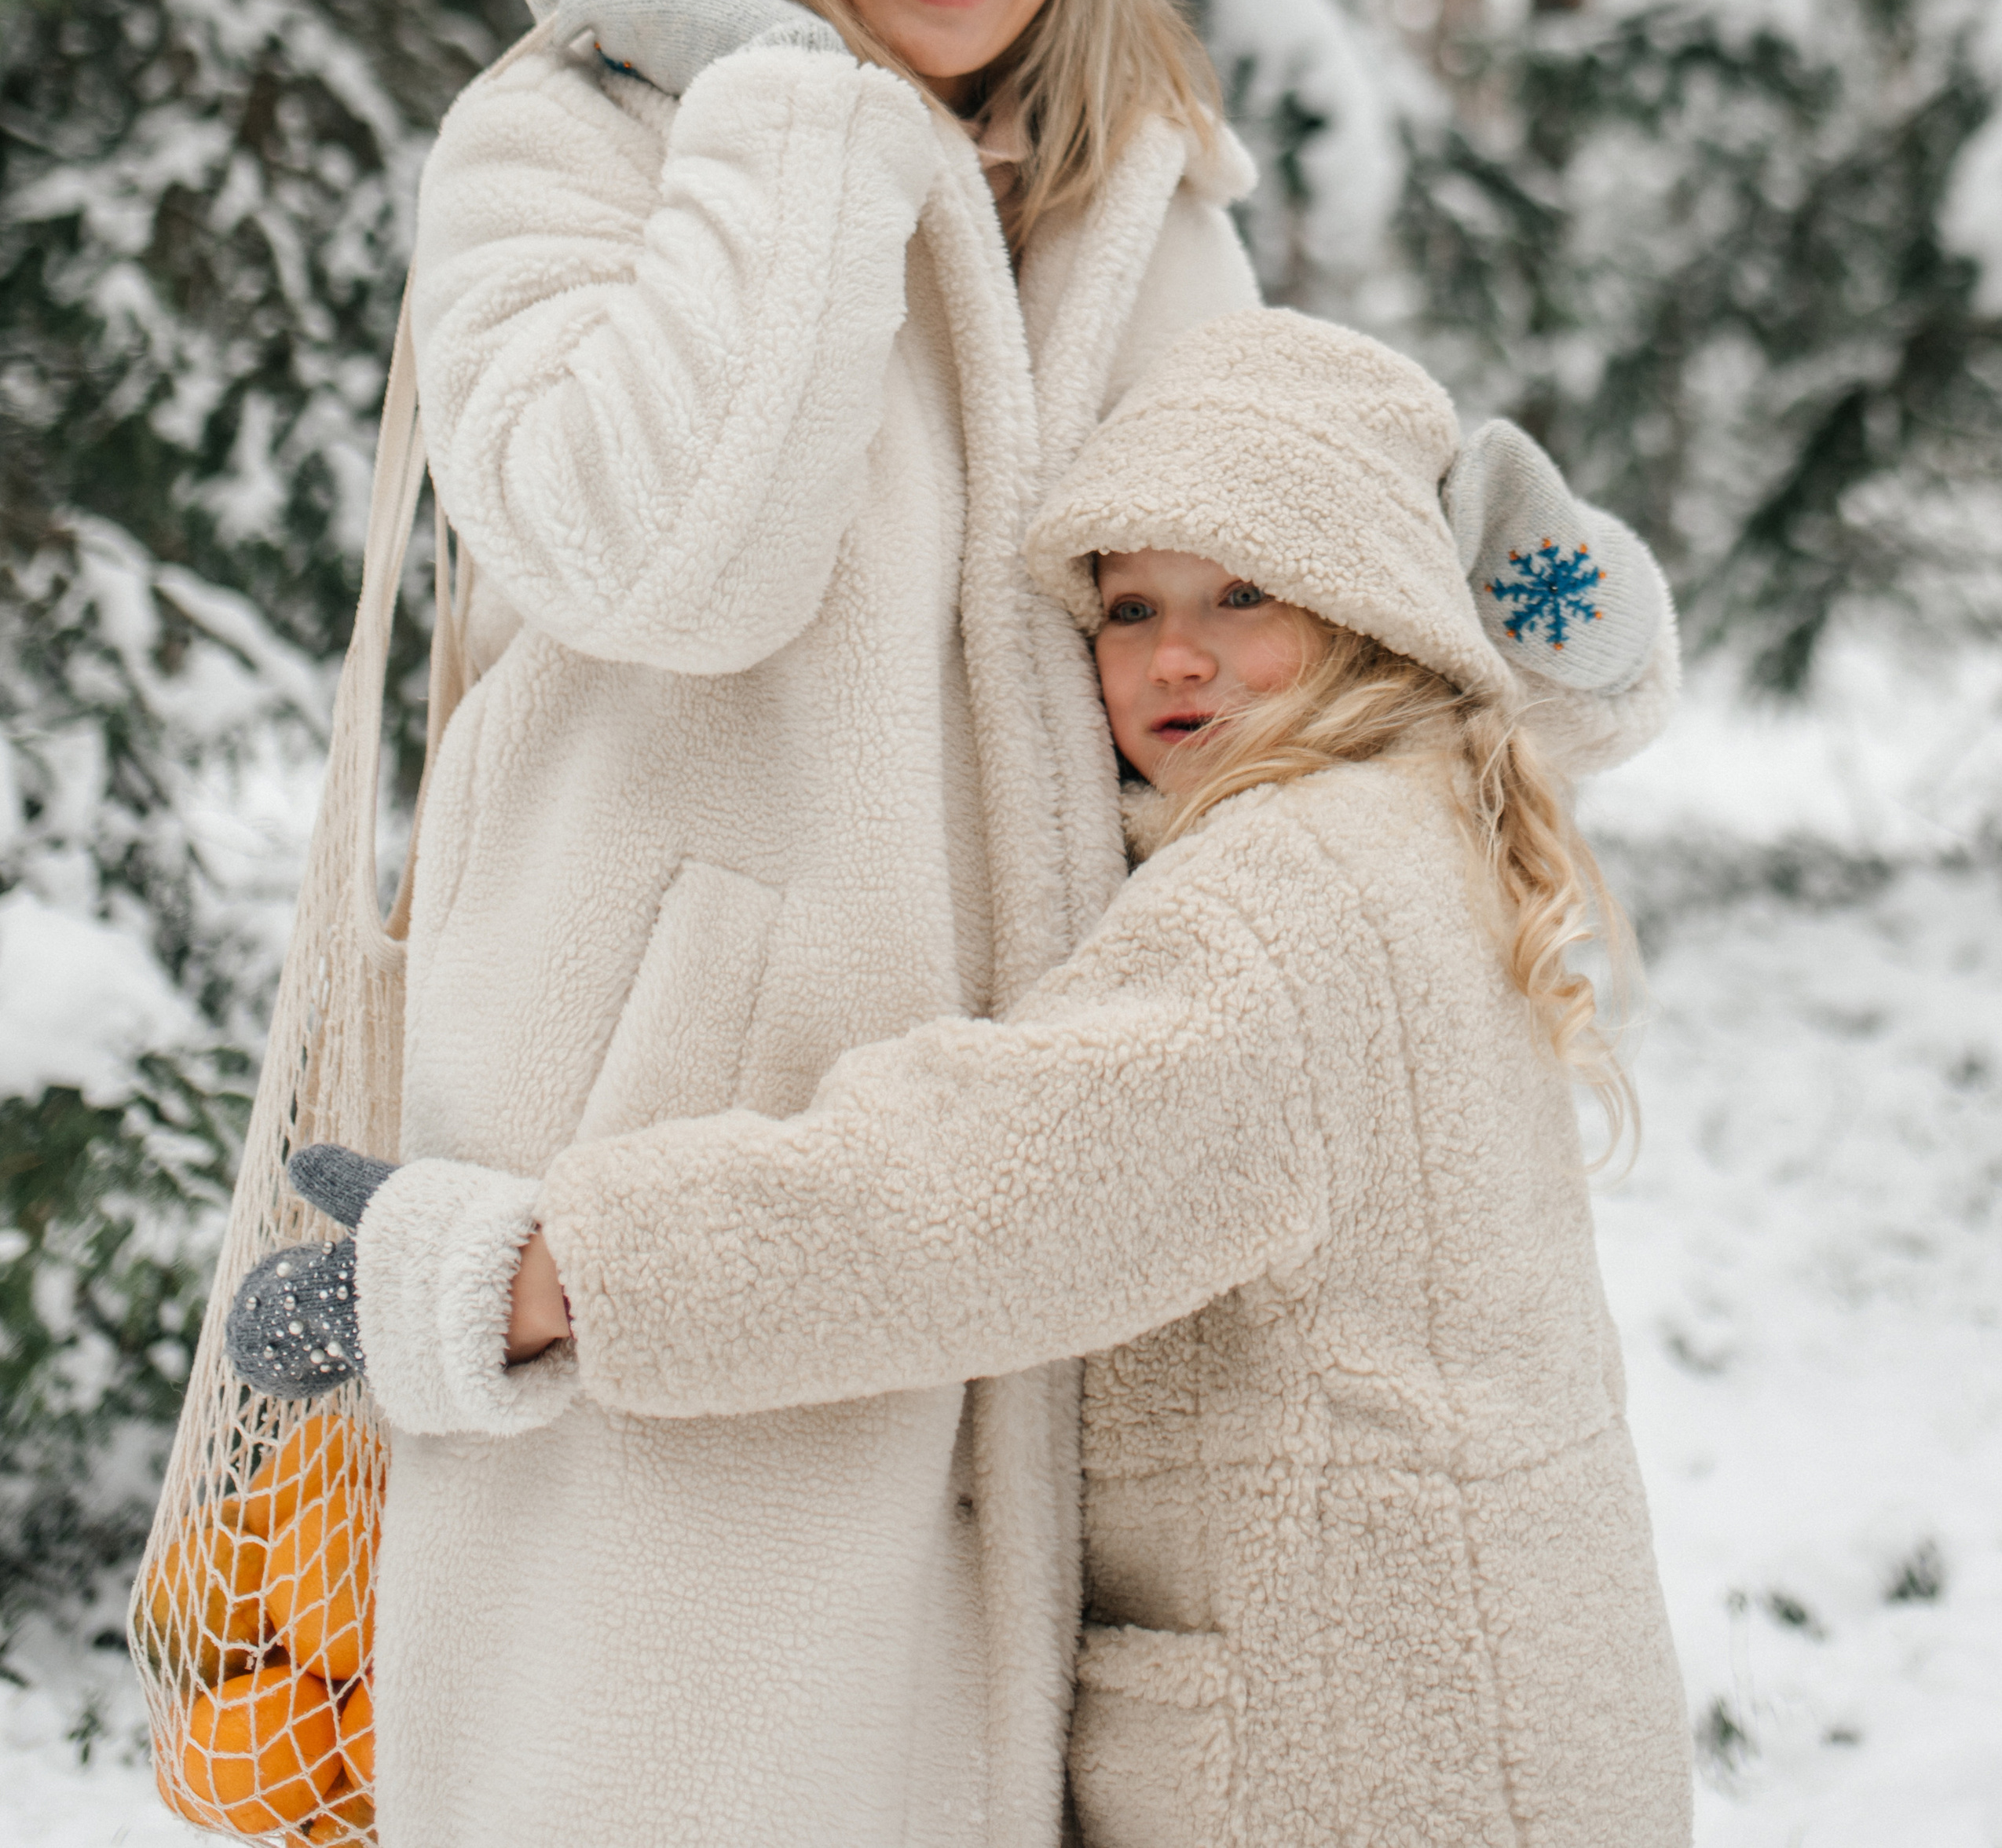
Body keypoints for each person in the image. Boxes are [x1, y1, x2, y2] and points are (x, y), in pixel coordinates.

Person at [229, 0, 1679, 1846]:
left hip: (1032, 1219)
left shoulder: (1151, 203)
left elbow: (1251, 647)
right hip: (656, 1203)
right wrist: (802, 130)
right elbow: (657, 554)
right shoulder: (564, 137)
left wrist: (1508, 609)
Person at [458, 310, 1696, 1846]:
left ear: (1367, 600)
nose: (1174, 653)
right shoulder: (1410, 829)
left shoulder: (1291, 892)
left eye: (1245, 590)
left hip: (1361, 1759)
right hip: (1493, 1713)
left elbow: (984, 1196)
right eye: (1125, 607)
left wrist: (548, 1271)